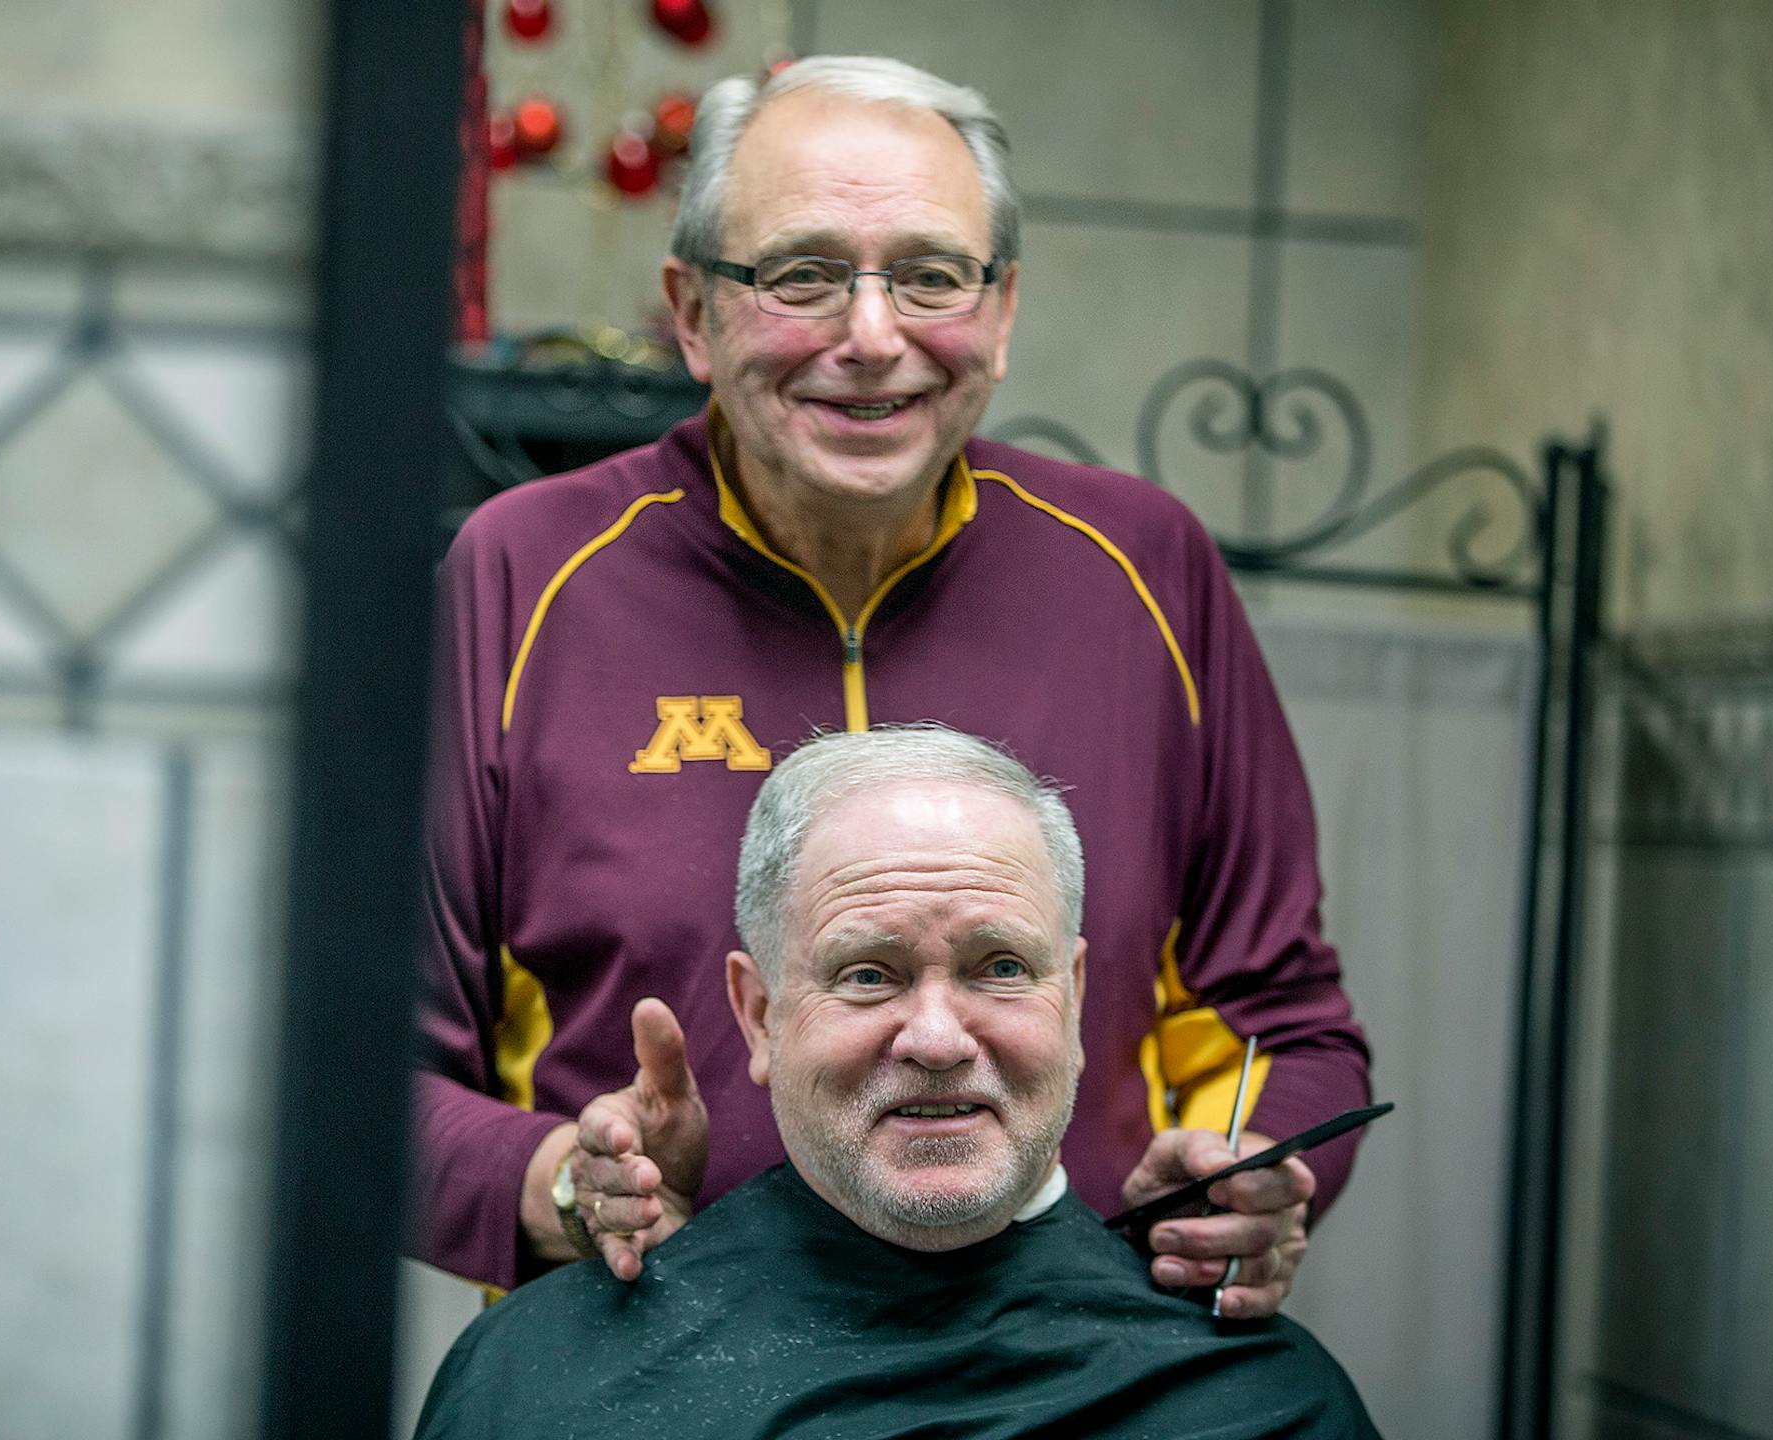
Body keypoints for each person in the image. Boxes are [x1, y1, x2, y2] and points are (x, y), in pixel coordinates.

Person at [416, 54, 1369, 1317]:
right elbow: (364, 1061)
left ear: (1004, 310)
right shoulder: (522, 576)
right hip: (641, 1367)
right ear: (692, 314)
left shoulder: (1144, 571)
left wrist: (1248, 1171)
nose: (872, 341)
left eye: (930, 277)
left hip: (1069, 1370)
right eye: (801, 276)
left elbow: (1283, 1019)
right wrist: (564, 1185)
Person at [414, 728, 1379, 1439]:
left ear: (1074, 997)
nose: (935, 1038)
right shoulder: (544, 1390)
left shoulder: (1264, 1407)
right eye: (868, 974)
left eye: (1000, 967)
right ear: (759, 1015)